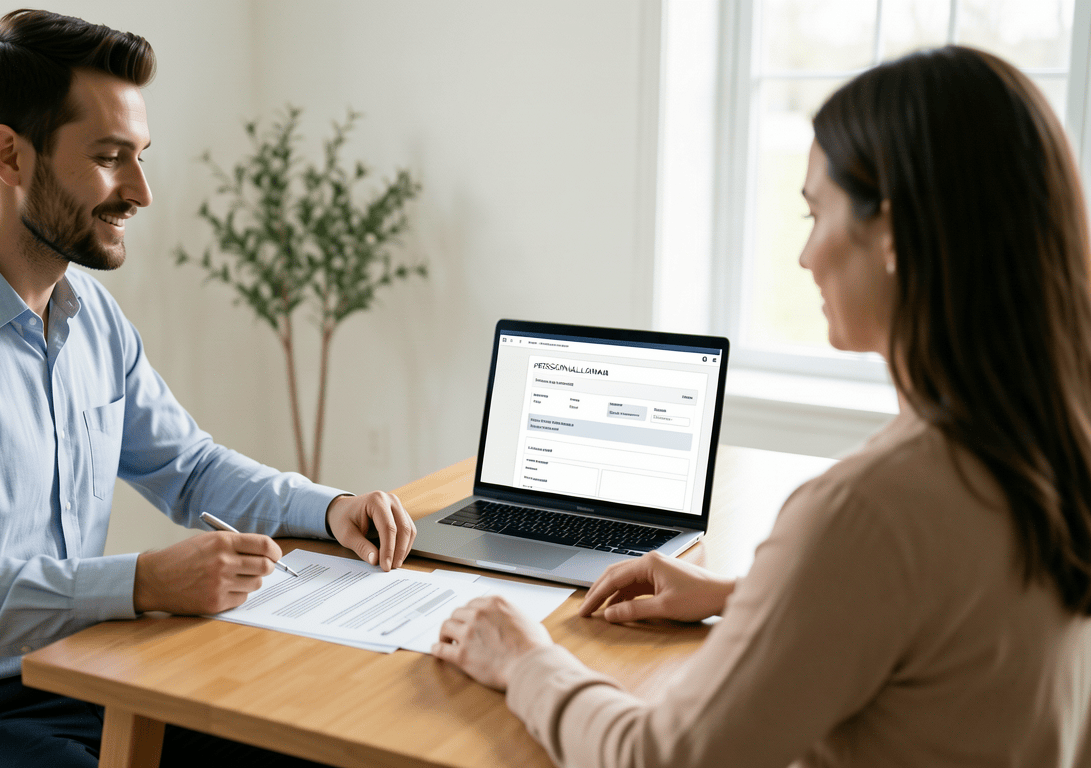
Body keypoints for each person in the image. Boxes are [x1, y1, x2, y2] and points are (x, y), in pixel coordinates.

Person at [432, 45, 1091, 767]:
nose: (806, 255)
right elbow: (954, 620)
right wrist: (747, 595)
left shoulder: (867, 511)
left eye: (816, 213)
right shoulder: (1046, 453)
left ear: (894, 234)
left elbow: (663, 758)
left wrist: (526, 659)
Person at [0, 9, 415, 768]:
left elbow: (189, 468)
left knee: (312, 735)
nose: (141, 191)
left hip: (83, 677)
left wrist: (330, 508)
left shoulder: (87, 314)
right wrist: (145, 581)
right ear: (10, 156)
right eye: (110, 157)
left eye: (140, 156)